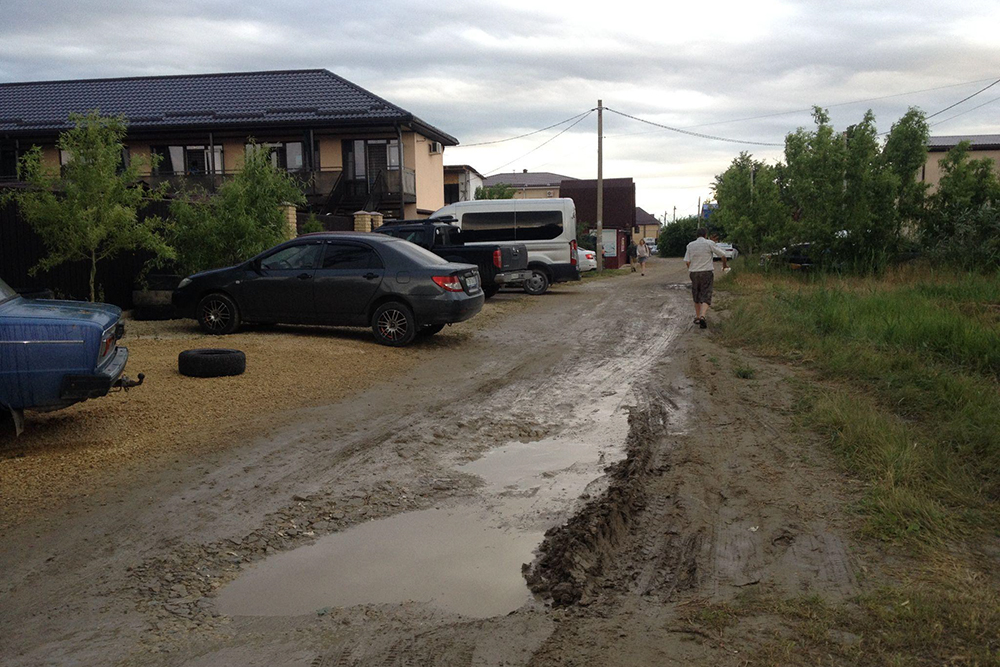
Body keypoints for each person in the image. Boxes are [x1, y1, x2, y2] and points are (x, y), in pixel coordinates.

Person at [683, 228, 728, 329]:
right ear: (705, 235)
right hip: (706, 272)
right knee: (706, 293)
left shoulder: (690, 245)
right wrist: (724, 265)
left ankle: (698, 316)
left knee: (696, 294)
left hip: (694, 272)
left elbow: (687, 261)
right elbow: (723, 255)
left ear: (696, 235)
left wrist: (692, 269)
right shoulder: (709, 243)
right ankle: (703, 316)